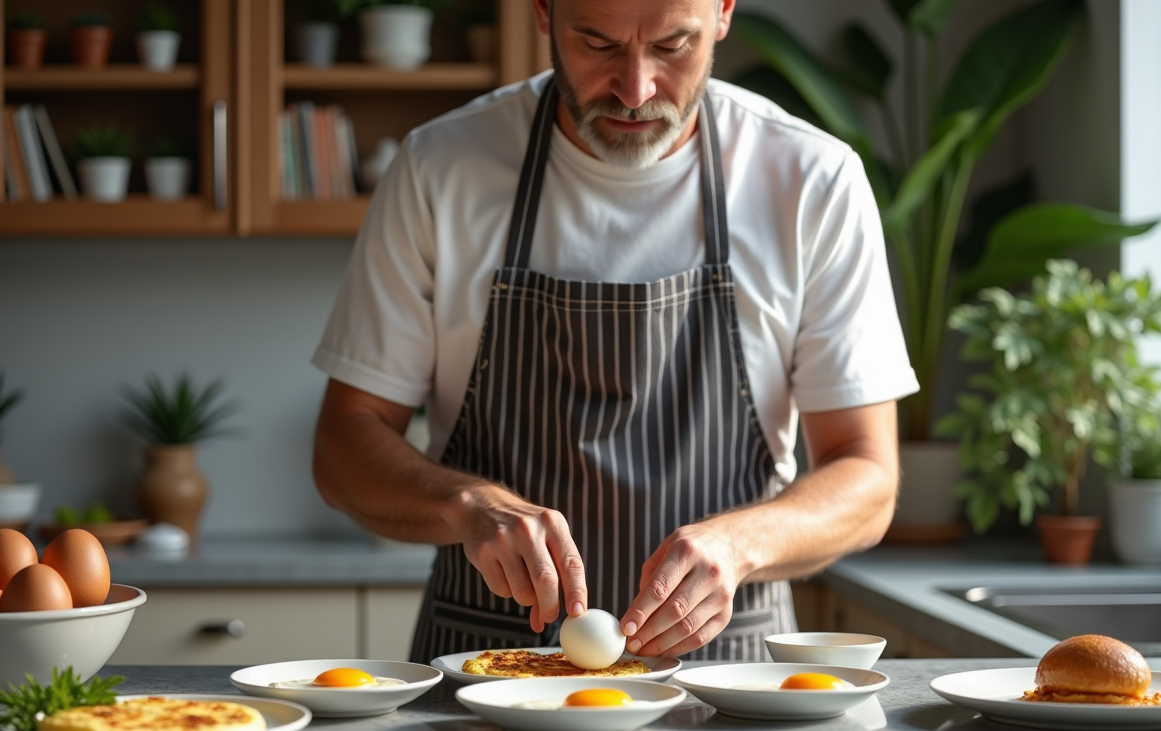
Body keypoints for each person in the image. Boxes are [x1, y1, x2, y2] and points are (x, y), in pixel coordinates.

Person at [311, 0, 918, 663]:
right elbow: (345, 443)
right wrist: (465, 503)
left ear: (722, 12)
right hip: (482, 679)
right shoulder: (440, 168)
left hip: (727, 686)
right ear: (543, 12)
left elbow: (867, 474)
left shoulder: (810, 179)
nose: (636, 90)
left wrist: (741, 545)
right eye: (598, 45)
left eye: (672, 46)